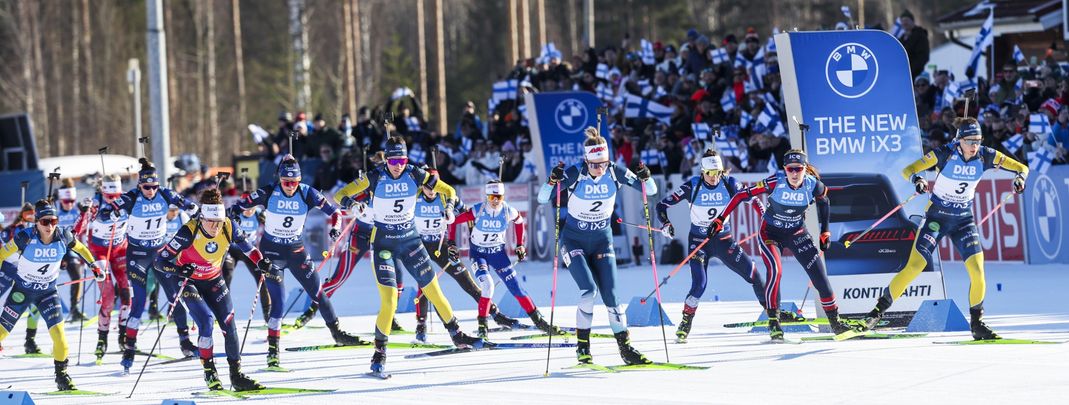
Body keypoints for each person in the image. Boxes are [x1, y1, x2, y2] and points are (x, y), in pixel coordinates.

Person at [862, 118, 1029, 340]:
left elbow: (1022, 167)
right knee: (915, 266)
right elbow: (908, 169)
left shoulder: (986, 155)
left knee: (978, 272)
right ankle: (876, 313)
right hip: (936, 218)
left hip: (963, 221)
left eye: (978, 140)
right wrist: (918, 179)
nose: (974, 146)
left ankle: (977, 324)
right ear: (959, 140)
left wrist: (1020, 178)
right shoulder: (945, 153)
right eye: (970, 141)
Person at [333, 135, 484, 376]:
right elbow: (340, 194)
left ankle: (457, 334)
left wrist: (448, 208)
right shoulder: (374, 176)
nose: (398, 166)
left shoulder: (415, 174)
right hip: (383, 243)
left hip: (411, 241)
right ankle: (379, 352)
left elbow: (448, 190)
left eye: (402, 160)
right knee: (390, 300)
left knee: (434, 291)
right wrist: (352, 205)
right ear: (387, 159)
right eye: (393, 161)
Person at [230, 154, 364, 370]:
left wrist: (335, 228)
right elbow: (236, 208)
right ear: (280, 179)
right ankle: (273, 351)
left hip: (296, 251)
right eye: (286, 182)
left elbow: (336, 213)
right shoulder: (268, 191)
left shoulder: (307, 192)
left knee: (318, 293)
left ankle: (337, 333)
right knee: (279, 302)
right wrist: (235, 218)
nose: (291, 186)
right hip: (271, 253)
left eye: (294, 182)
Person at [536, 127, 656, 365]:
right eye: (594, 165)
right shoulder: (575, 173)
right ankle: (583, 347)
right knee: (589, 291)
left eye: (603, 164)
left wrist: (646, 176)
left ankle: (626, 348)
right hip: (574, 240)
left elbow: (650, 191)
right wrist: (552, 181)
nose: (599, 169)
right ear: (586, 161)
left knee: (611, 295)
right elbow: (542, 198)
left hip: (602, 240)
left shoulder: (615, 172)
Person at [710, 149, 855, 341]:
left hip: (797, 233)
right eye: (790, 169)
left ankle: (836, 323)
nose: (794, 174)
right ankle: (774, 322)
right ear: (784, 169)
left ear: (805, 169)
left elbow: (824, 201)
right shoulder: (775, 182)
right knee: (776, 271)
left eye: (798, 169)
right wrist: (720, 219)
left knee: (820, 277)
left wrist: (825, 231)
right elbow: (740, 196)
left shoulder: (814, 185)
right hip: (771, 234)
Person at [655, 150, 778, 343]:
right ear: (702, 171)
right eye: (710, 173)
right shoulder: (692, 185)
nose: (714, 178)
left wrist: (764, 216)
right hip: (699, 242)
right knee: (699, 285)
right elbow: (661, 206)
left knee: (755, 276)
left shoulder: (730, 183)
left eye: (718, 173)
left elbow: (753, 199)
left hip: (724, 241)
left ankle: (773, 319)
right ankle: (686, 322)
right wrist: (666, 223)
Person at [154, 189, 267, 391]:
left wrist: (261, 262)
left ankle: (236, 376)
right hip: (188, 281)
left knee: (229, 324)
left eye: (219, 221)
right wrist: (178, 269)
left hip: (213, 279)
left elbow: (249, 248)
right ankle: (210, 371)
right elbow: (159, 261)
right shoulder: (188, 231)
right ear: (202, 218)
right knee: (206, 321)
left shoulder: (229, 226)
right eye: (211, 222)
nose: (216, 226)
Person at [99, 159, 199, 371]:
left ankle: (185, 343)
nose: (151, 191)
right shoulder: (131, 197)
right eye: (147, 187)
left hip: (161, 253)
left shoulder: (165, 193)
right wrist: (111, 214)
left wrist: (194, 210)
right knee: (139, 302)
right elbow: (103, 213)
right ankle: (129, 348)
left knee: (175, 297)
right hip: (137, 255)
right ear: (140, 185)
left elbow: (187, 204)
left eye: (154, 186)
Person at [0, 199, 106, 391]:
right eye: (45, 222)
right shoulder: (24, 237)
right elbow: (2, 255)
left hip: (47, 293)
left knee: (60, 337)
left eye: (54, 221)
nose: (50, 226)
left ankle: (62, 377)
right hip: (22, 291)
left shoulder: (64, 236)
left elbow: (81, 248)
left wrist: (94, 266)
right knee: (2, 333)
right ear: (37, 222)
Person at [412, 168, 519, 342]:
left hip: (441, 245)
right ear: (422, 186)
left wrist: (467, 236)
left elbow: (466, 213)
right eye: (427, 187)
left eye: (435, 186)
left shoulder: (446, 198)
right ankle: (421, 324)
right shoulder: (414, 198)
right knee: (425, 283)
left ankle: (494, 313)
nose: (431, 191)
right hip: (420, 245)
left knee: (465, 278)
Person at [452, 179, 557, 338]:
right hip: (479, 254)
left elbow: (519, 222)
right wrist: (451, 243)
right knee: (488, 286)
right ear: (487, 196)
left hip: (498, 254)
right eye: (491, 197)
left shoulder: (508, 211)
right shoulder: (478, 210)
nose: (495, 201)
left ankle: (539, 322)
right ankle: (482, 327)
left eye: (499, 197)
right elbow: (453, 221)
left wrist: (520, 245)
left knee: (516, 287)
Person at [73, 175, 132, 363]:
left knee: (127, 294)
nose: (113, 199)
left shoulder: (128, 199)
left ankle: (123, 335)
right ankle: (102, 338)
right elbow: (77, 230)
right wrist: (84, 211)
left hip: (120, 249)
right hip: (99, 252)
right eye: (109, 196)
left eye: (116, 195)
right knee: (108, 297)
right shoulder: (96, 203)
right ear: (102, 191)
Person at [1, 203, 42, 354]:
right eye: (28, 214)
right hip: (8, 270)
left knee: (34, 306)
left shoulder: (40, 230)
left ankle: (30, 341)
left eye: (33, 214)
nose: (31, 217)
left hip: (27, 273)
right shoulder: (12, 229)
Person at [55, 180, 89, 322]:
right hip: (55, 248)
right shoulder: (55, 209)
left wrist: (84, 213)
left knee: (77, 276)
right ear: (60, 200)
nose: (69, 204)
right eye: (66, 201)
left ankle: (75, 309)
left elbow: (82, 229)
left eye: (72, 201)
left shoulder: (77, 210)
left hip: (70, 248)